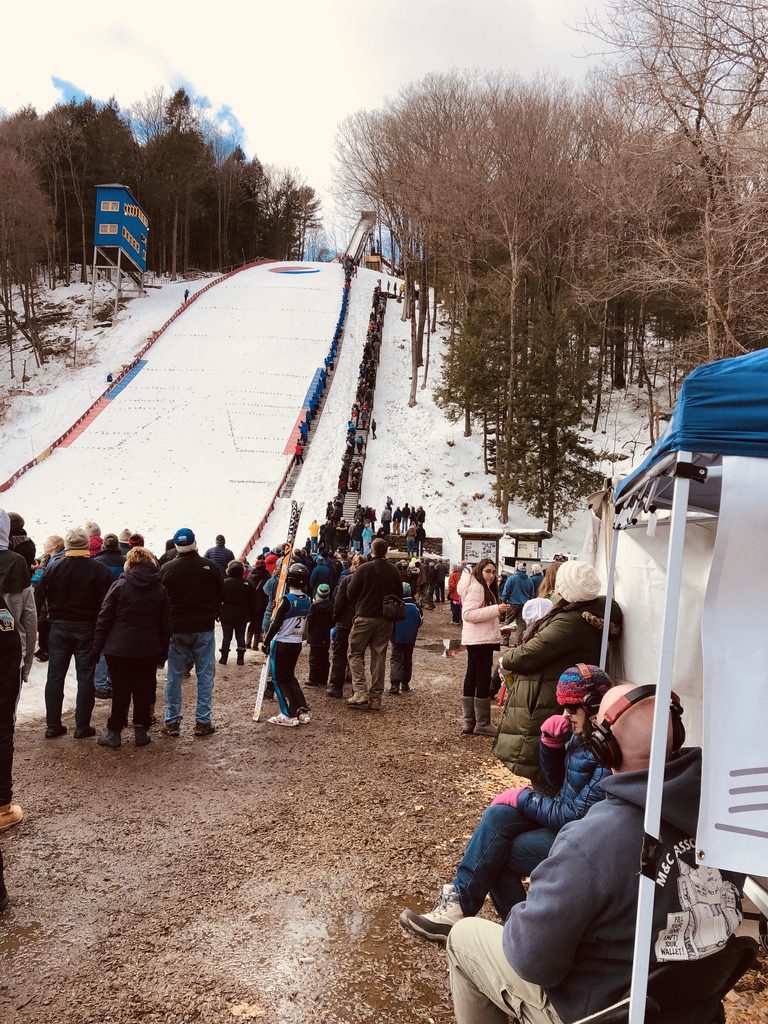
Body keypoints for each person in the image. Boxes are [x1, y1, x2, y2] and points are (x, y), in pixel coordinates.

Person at [444, 683, 743, 1024]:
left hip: (603, 1011)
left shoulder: (591, 839)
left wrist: (527, 920)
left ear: (605, 748)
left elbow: (532, 963)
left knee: (463, 936)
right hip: (689, 1009)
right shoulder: (723, 817)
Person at [400, 665, 612, 944]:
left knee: (497, 855)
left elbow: (575, 815)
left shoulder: (605, 747)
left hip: (584, 838)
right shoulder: (584, 732)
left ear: (593, 706)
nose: (565, 716)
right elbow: (558, 781)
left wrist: (522, 798)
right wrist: (550, 746)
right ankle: (460, 904)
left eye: (571, 710)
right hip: (568, 819)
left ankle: (522, 938)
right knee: (499, 813)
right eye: (563, 708)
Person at [494, 560, 622, 785]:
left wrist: (506, 659)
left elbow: (529, 653)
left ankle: (545, 807)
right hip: (559, 693)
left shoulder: (569, 621)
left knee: (547, 760)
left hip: (549, 696)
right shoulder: (587, 614)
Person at [36, 527, 113, 740]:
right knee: (86, 676)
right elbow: (107, 601)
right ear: (86, 545)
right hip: (87, 628)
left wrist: (43, 621)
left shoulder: (54, 567)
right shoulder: (99, 569)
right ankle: (82, 726)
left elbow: (39, 594)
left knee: (55, 676)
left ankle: (53, 725)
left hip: (58, 627)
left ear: (68, 546)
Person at [91, 547, 171, 749]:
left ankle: (115, 732)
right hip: (148, 648)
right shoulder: (159, 589)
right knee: (144, 688)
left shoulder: (119, 586)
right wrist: (163, 651)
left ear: (130, 563)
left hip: (119, 648)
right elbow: (165, 624)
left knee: (121, 689)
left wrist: (97, 646)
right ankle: (141, 730)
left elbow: (104, 617)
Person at [159, 527, 223, 737]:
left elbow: (161, 597)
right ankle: (203, 720)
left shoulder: (167, 569)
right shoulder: (209, 566)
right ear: (195, 543)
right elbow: (221, 593)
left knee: (174, 676)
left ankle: (172, 721)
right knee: (205, 675)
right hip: (203, 627)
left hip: (176, 628)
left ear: (177, 546)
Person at [0, 508, 37, 831]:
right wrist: (26, 662)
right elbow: (27, 616)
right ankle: (1, 806)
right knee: (2, 726)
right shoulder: (15, 563)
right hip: (6, 651)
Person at [345, 538, 403, 711]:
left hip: (364, 616)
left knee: (355, 653)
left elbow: (350, 593)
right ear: (386, 552)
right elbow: (399, 594)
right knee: (379, 657)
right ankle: (376, 698)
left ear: (372, 551)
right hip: (385, 619)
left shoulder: (364, 568)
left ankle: (360, 691)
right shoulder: (393, 570)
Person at [457, 561, 510, 737]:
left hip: (477, 638)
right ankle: (482, 723)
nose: (491, 575)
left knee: (472, 676)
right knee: (482, 678)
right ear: (480, 570)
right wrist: (496, 609)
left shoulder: (477, 585)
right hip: (480, 640)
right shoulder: (478, 588)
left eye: (494, 572)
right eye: (488, 571)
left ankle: (469, 721)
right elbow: (468, 614)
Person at [261, 563, 311, 727]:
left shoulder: (287, 600)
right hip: (296, 643)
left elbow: (275, 624)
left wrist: (266, 641)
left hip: (282, 642)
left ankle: (287, 713)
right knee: (290, 677)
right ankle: (301, 710)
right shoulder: (306, 599)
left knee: (278, 679)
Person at [327, 554, 363, 698]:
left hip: (344, 622)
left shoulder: (346, 580)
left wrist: (334, 618)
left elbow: (339, 602)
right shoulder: (366, 582)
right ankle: (357, 688)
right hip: (360, 621)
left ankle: (336, 686)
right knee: (358, 655)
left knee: (339, 653)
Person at [218, 560, 255, 665]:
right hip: (242, 613)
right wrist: (251, 615)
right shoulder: (248, 584)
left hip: (226, 613)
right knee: (240, 636)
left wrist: (217, 613)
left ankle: (224, 657)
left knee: (226, 637)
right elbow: (254, 601)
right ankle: (240, 658)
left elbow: (217, 599)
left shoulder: (224, 583)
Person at [389, 583, 423, 694]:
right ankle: (405, 684)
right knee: (408, 660)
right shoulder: (415, 606)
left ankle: (395, 684)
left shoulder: (396, 605)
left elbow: (391, 621)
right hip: (410, 638)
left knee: (395, 659)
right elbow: (420, 622)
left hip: (397, 637)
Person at [306, 582, 333, 688]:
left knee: (314, 658)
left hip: (315, 636)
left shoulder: (314, 606)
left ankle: (313, 679)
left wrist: (309, 631)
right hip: (325, 635)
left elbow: (310, 620)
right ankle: (323, 678)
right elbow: (332, 621)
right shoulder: (331, 606)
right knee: (324, 657)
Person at [500, 563, 535, 644]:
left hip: (512, 604)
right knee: (521, 624)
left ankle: (505, 640)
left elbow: (506, 591)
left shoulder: (511, 579)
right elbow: (532, 594)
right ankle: (518, 642)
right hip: (524, 605)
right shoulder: (529, 580)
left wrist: (504, 600)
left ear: (517, 569)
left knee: (508, 622)